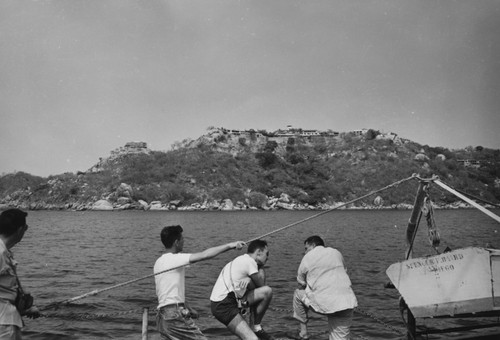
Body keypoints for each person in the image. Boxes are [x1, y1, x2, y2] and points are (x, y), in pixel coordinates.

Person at [154, 225, 245, 340]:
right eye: (182, 239)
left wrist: (188, 308)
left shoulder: (158, 262)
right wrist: (230, 245)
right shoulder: (175, 259)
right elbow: (205, 255)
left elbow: (169, 291)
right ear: (176, 242)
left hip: (162, 317)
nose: (184, 241)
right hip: (174, 315)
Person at [288, 236, 357, 340]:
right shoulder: (336, 252)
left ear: (313, 245)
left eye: (306, 248)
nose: (305, 252)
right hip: (347, 303)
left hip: (325, 303)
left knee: (298, 293)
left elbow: (301, 282)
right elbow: (344, 270)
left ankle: (303, 333)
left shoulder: (308, 257)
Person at [210, 239, 274, 340]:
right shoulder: (249, 262)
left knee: (266, 292)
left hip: (229, 300)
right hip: (224, 304)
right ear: (258, 252)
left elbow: (258, 290)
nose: (267, 258)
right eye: (267, 254)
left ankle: (255, 327)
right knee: (252, 339)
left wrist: (249, 280)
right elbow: (261, 285)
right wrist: (261, 267)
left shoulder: (241, 259)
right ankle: (256, 328)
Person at [0, 208, 39, 340]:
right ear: (20, 229)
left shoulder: (5, 252)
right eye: (26, 228)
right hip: (4, 325)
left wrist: (23, 308)